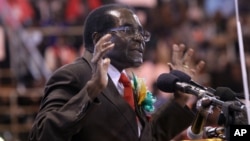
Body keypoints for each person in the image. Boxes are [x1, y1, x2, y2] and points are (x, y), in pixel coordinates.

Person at [28, 4, 205, 141]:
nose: (139, 39)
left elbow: (142, 137)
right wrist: (90, 93)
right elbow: (41, 135)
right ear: (98, 39)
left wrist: (179, 100)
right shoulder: (74, 74)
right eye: (128, 30)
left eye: (141, 33)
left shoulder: (128, 81)